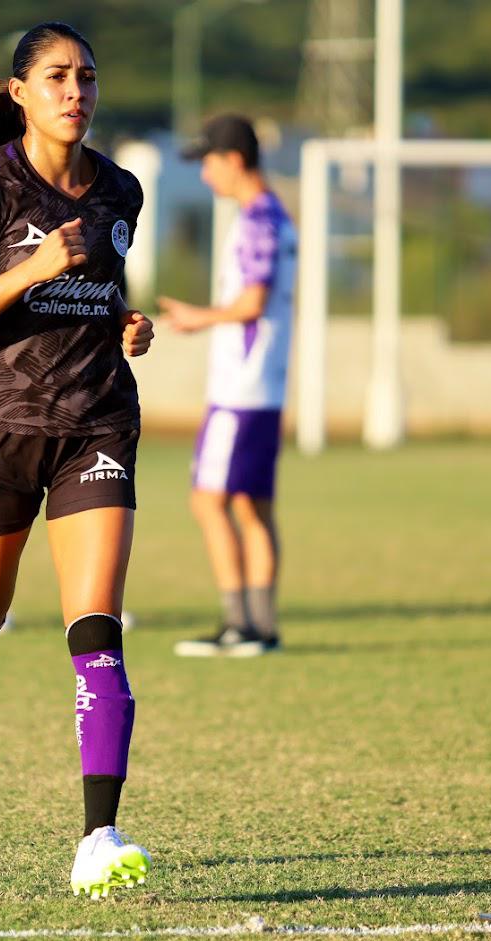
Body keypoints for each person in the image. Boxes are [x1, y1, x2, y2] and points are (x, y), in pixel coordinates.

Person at [0, 21, 155, 898]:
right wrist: (31, 269)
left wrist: (126, 324)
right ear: (19, 92)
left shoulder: (120, 190)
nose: (75, 91)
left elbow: (102, 291)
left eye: (87, 76)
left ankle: (98, 835)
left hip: (97, 426)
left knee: (97, 631)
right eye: (56, 76)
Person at [158, 115, 296, 658]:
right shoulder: (274, 216)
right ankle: (261, 626)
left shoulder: (258, 219)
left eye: (209, 162)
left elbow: (253, 302)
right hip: (263, 388)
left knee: (208, 501)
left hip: (241, 391)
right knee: (252, 507)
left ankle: (241, 625)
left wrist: (199, 317)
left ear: (234, 160)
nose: (205, 174)